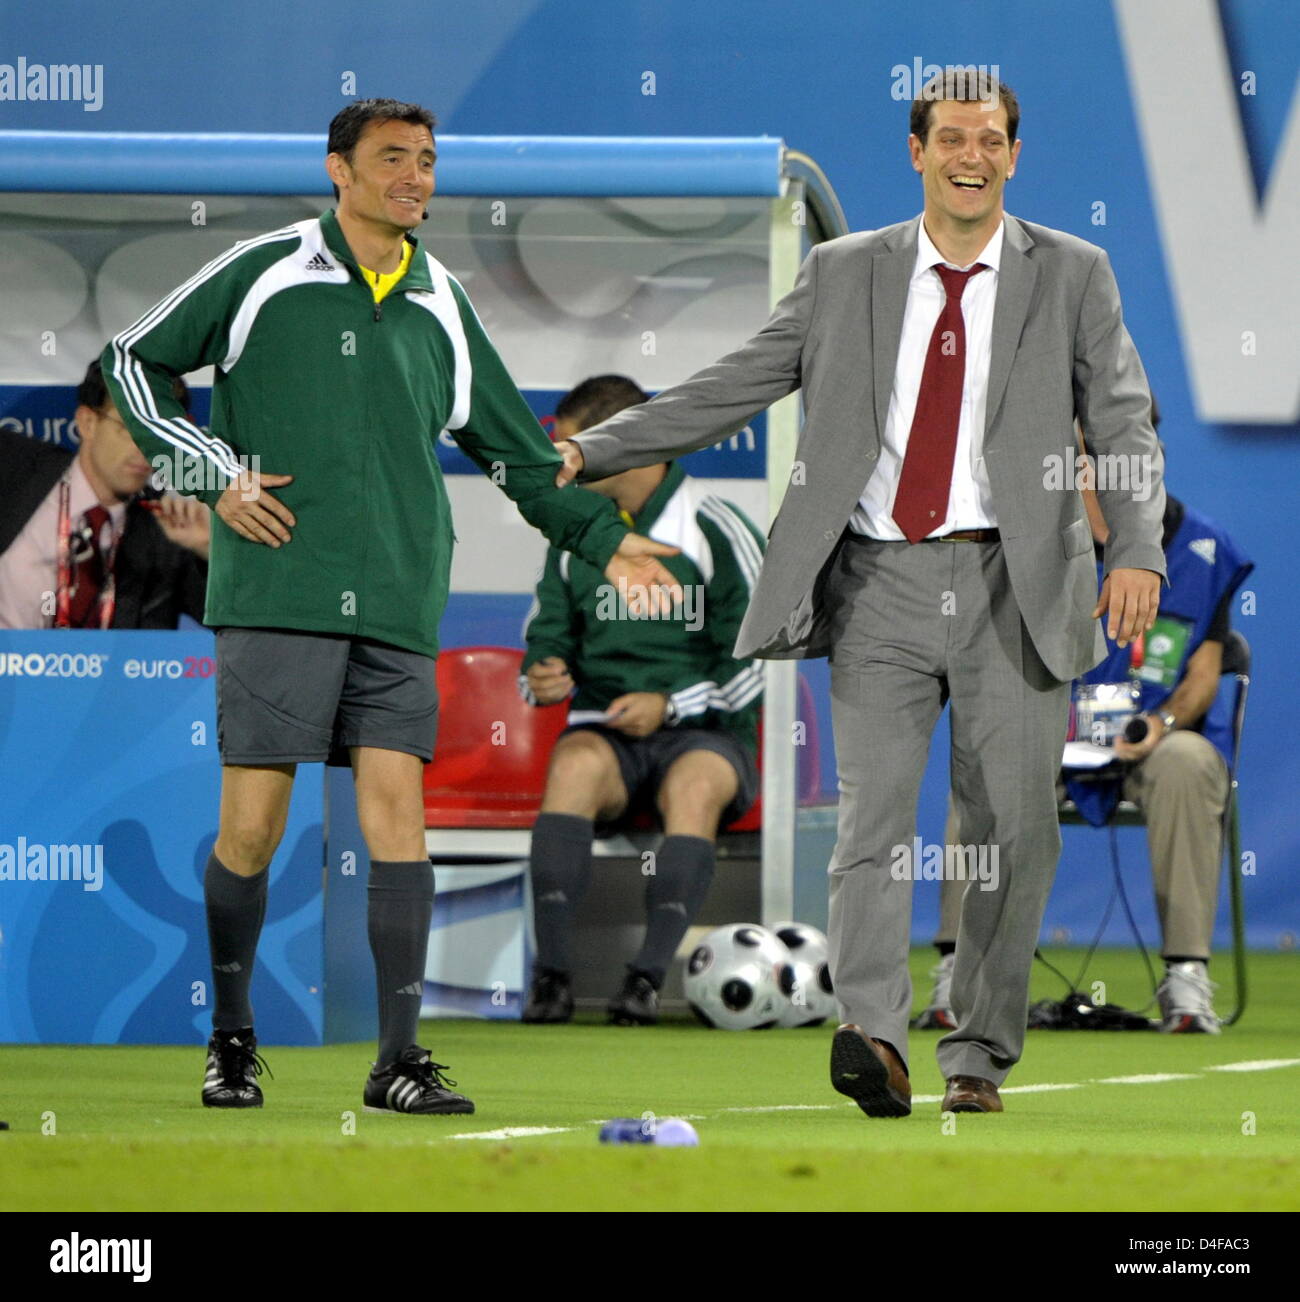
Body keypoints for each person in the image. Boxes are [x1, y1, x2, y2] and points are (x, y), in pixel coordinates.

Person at [556, 73, 1165, 1116]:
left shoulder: (1074, 272)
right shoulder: (846, 273)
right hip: (877, 579)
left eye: (990, 138)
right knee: (870, 826)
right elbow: (733, 383)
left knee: (1010, 834)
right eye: (949, 138)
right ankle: (873, 1039)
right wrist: (594, 449)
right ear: (916, 152)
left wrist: (1137, 549)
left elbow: (1120, 420)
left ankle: (974, 1050)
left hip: (1014, 586)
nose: (970, 154)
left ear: (1013, 156)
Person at [102, 99, 679, 1116]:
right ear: (339, 170)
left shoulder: (443, 300)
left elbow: (517, 454)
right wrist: (213, 467)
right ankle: (231, 1038)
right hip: (279, 592)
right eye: (392, 159)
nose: (415, 176)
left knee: (395, 821)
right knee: (252, 830)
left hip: (401, 604)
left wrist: (605, 536)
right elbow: (130, 365)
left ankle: (398, 1060)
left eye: (427, 160)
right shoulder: (264, 269)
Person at [914, 432, 1252, 1036]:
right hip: (1050, 735)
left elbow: (1206, 672)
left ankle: (1186, 976)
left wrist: (1161, 725)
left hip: (1150, 742)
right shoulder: (1028, 542)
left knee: (1191, 760)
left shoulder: (1203, 547)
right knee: (984, 765)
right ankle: (956, 973)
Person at [520, 375, 764, 1026]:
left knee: (696, 784)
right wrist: (540, 674)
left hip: (705, 735)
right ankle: (551, 978)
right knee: (572, 766)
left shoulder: (713, 525)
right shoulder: (576, 538)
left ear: (621, 447)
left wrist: (672, 705)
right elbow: (546, 637)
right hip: (607, 735)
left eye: (574, 451)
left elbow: (758, 662)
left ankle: (646, 979)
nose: (561, 468)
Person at [0, 360, 209, 629]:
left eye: (161, 435)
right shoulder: (10, 468)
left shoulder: (166, 537)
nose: (146, 449)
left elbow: (243, 632)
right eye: (130, 428)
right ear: (88, 422)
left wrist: (209, 551)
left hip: (111, 671)